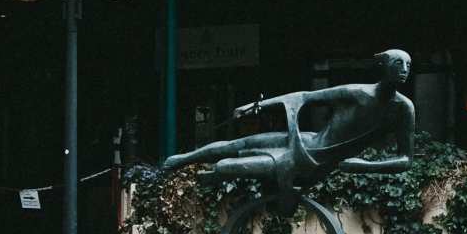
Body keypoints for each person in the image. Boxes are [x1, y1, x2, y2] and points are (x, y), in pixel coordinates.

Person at [163, 49, 415, 188]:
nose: (403, 70)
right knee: (239, 144)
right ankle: (183, 159)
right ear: (384, 66)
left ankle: (211, 177)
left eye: (407, 65)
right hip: (306, 140)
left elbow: (405, 160)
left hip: (312, 161)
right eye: (397, 64)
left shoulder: (403, 109)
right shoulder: (357, 93)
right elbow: (304, 96)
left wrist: (363, 167)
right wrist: (256, 106)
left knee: (227, 165)